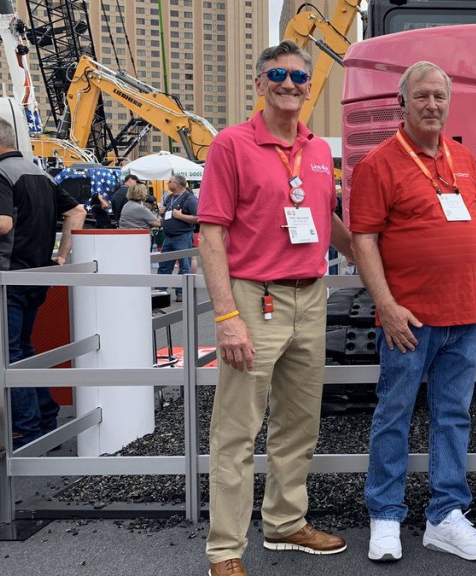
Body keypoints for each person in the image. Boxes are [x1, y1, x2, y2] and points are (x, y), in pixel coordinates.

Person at [197, 41, 352, 576]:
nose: (290, 84)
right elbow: (211, 236)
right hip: (251, 295)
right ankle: (225, 550)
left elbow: (328, 222)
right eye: (279, 75)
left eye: (299, 77)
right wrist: (225, 317)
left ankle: (286, 522)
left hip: (310, 295)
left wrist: (378, 271)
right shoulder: (231, 145)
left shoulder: (315, 150)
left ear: (311, 86)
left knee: (298, 423)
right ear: (260, 83)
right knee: (237, 430)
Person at [349, 61, 476, 564]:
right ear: (403, 101)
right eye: (422, 97)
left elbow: (473, 215)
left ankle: (445, 516)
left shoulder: (462, 157)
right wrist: (386, 306)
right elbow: (364, 240)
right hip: (408, 319)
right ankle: (386, 515)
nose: (432, 105)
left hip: (466, 311)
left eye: (439, 96)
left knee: (453, 416)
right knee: (393, 414)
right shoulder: (379, 163)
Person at [0, 116, 86, 449]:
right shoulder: (40, 172)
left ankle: (29, 431)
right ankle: (45, 419)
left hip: (6, 275)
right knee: (24, 350)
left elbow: (2, 224)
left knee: (10, 354)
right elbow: (76, 211)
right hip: (37, 274)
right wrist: (60, 256)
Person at [156, 173, 198, 302]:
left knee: (184, 266)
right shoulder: (169, 198)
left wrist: (181, 217)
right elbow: (166, 214)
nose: (168, 183)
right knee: (164, 265)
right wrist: (161, 212)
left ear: (178, 184)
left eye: (170, 181)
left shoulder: (190, 199)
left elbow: (198, 218)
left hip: (183, 236)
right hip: (168, 237)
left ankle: (181, 292)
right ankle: (160, 291)